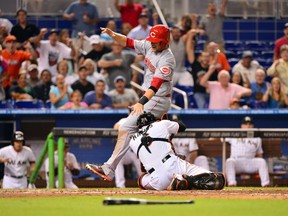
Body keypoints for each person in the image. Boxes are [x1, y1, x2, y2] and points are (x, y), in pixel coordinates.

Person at [85, 24, 175, 182]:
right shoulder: (149, 44)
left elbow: (156, 84)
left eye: (157, 41)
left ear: (165, 42)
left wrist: (141, 102)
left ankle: (109, 168)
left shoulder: (167, 59)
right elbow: (128, 42)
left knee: (126, 127)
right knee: (147, 137)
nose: (153, 43)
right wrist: (112, 35)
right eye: (152, 39)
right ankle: (167, 168)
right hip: (149, 98)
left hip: (158, 99)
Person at [128, 112, 225, 191]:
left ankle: (181, 181)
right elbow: (182, 126)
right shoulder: (161, 124)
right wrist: (166, 121)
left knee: (141, 180)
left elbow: (144, 169)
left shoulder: (132, 141)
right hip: (175, 164)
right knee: (216, 179)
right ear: (154, 121)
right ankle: (187, 180)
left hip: (158, 179)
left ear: (139, 127)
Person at [225, 116, 270, 187]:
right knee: (229, 161)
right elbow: (220, 136)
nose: (248, 126)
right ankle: (232, 184)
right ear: (241, 126)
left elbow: (259, 154)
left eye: (250, 124)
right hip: (237, 162)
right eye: (245, 124)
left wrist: (259, 171)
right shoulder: (234, 134)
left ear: (253, 126)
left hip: (250, 161)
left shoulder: (257, 138)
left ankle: (265, 184)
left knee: (261, 161)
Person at [113, 115, 141, 188]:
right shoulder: (125, 120)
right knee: (117, 161)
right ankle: (120, 185)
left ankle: (145, 183)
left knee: (140, 166)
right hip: (124, 150)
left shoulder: (141, 121)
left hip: (135, 150)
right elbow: (116, 127)